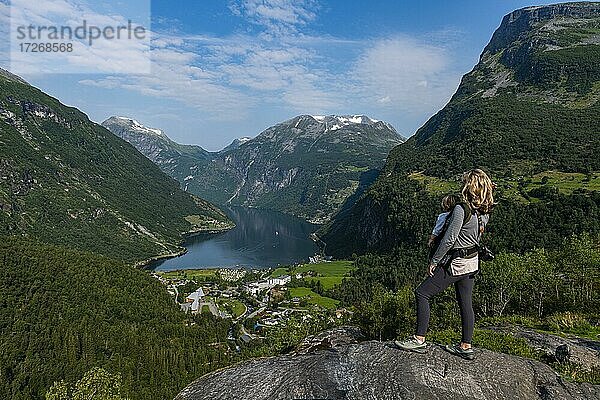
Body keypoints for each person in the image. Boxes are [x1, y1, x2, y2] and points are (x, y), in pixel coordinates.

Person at [396, 169, 495, 360]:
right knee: (465, 302)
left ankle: (419, 340)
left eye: (464, 181)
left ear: (469, 186)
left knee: (422, 293)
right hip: (472, 263)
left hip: (456, 262)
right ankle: (465, 345)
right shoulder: (483, 211)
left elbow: (450, 239)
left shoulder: (461, 209)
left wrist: (435, 261)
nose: (462, 184)